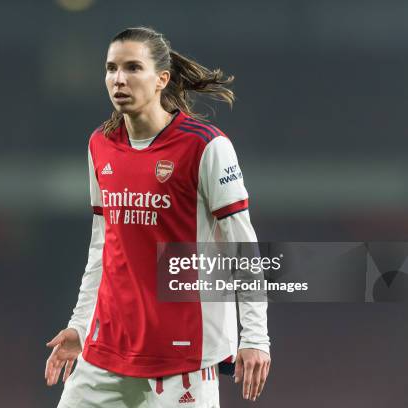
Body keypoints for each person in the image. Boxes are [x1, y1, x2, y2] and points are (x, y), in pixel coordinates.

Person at [45, 26, 271, 408]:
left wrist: (255, 337)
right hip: (106, 351)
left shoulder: (205, 146)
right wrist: (81, 325)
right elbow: (103, 246)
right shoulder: (100, 144)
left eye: (133, 67)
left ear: (161, 79)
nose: (119, 78)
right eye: (111, 68)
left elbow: (242, 247)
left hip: (180, 358)